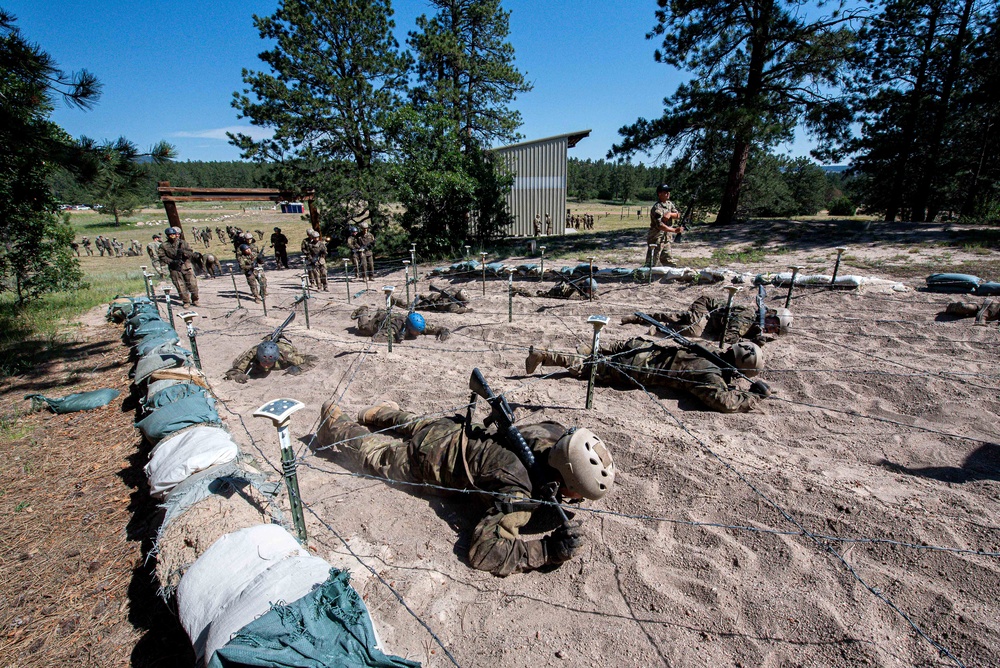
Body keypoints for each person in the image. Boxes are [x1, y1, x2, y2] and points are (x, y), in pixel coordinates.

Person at [314, 399, 615, 576]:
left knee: (414, 422)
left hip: (457, 429)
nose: (579, 499)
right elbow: (483, 552)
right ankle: (335, 424)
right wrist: (547, 550)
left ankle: (377, 413)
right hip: (430, 461)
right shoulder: (519, 492)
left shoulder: (555, 433)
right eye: (580, 493)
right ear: (566, 480)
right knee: (377, 456)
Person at [525, 337, 769, 413]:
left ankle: (587, 347)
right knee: (587, 368)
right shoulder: (709, 374)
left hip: (645, 347)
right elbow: (723, 402)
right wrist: (752, 397)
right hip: (640, 368)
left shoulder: (710, 351)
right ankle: (545, 356)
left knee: (605, 349)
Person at [622, 297, 792, 346]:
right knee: (694, 329)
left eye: (774, 330)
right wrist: (753, 342)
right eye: (773, 324)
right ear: (771, 315)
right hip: (706, 308)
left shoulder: (755, 327)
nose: (770, 328)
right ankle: (645, 322)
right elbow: (728, 337)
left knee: (684, 321)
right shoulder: (747, 315)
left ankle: (647, 321)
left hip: (711, 323)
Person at [223, 338, 316, 383]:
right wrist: (238, 376)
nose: (266, 365)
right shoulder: (252, 355)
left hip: (283, 346)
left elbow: (312, 360)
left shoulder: (285, 354)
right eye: (263, 362)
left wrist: (297, 369)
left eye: (269, 362)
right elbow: (233, 371)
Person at [350, 306, 450, 342]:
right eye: (417, 332)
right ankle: (363, 310)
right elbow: (376, 337)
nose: (419, 333)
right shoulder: (395, 328)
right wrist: (395, 338)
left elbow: (436, 328)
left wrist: (444, 332)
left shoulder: (416, 323)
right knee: (363, 328)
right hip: (380, 322)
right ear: (410, 328)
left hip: (392, 316)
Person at [157, 227, 199, 307]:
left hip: (186, 265)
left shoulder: (183, 243)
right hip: (174, 268)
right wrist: (171, 262)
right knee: (180, 286)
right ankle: (186, 301)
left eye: (173, 234)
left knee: (192, 284)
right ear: (167, 236)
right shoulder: (163, 245)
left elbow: (191, 252)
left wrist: (184, 253)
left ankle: (195, 299)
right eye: (170, 235)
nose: (172, 236)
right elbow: (161, 256)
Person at [647, 184, 684, 267]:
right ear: (660, 194)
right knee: (652, 263)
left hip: (666, 238)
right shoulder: (657, 208)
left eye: (668, 192)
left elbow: (678, 215)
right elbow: (660, 225)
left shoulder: (669, 204)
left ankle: (671, 276)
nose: (668, 194)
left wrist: (670, 214)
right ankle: (645, 278)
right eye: (665, 192)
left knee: (669, 261)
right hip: (656, 239)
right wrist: (674, 230)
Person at [392, 285, 472, 313]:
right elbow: (454, 310)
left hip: (434, 297)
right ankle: (393, 300)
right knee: (410, 306)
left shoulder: (453, 292)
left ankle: (422, 296)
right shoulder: (454, 304)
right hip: (430, 304)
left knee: (428, 298)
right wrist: (464, 309)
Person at [512, 278, 597, 301]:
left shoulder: (581, 286)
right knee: (535, 296)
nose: (591, 292)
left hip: (559, 288)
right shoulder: (576, 289)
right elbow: (573, 298)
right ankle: (518, 289)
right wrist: (586, 297)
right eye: (590, 291)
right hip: (556, 292)